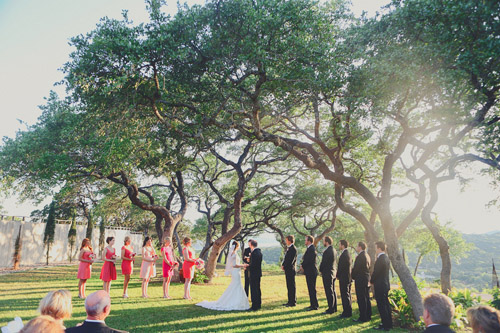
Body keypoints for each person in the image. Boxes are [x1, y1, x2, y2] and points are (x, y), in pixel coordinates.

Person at [196, 241, 250, 310]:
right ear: (237, 246)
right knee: (236, 285)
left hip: (236, 271)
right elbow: (234, 265)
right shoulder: (234, 254)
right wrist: (244, 265)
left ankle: (235, 299)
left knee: (235, 285)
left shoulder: (232, 254)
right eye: (238, 246)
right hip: (235, 272)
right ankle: (234, 301)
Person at [371, 241, 392, 331]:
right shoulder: (385, 258)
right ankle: (388, 323)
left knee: (382, 305)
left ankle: (385, 325)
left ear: (379, 248)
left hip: (380, 285)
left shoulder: (381, 259)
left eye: (376, 248)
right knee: (386, 305)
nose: (375, 250)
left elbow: (376, 272)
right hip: (385, 284)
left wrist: (371, 280)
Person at [351, 241, 372, 323]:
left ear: (360, 247)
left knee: (361, 298)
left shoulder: (360, 256)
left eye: (357, 246)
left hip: (360, 279)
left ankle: (363, 317)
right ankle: (368, 315)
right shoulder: (367, 255)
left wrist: (352, 276)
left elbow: (356, 268)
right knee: (366, 297)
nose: (356, 247)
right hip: (366, 278)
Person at [319, 236, 337, 315]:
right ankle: (334, 307)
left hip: (327, 273)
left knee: (329, 291)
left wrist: (320, 269)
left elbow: (324, 262)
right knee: (333, 290)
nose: (323, 242)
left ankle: (331, 309)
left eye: (323, 241)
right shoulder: (334, 250)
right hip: (333, 272)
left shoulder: (327, 251)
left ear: (327, 242)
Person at [301, 235, 319, 311]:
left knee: (312, 288)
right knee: (310, 288)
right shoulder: (309, 248)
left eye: (305, 240)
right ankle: (312, 304)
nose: (305, 241)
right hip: (309, 271)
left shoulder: (311, 249)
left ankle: (315, 305)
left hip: (311, 271)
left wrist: (302, 265)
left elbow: (309, 260)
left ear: (309, 241)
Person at [244, 239, 263, 311]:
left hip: (254, 274)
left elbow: (254, 265)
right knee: (257, 289)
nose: (249, 246)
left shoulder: (255, 253)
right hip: (257, 274)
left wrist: (247, 266)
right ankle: (258, 304)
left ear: (251, 245)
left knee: (254, 290)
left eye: (249, 244)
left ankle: (254, 306)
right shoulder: (258, 252)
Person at [337, 239, 352, 318]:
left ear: (342, 245)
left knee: (345, 295)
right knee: (346, 294)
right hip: (346, 277)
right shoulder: (347, 253)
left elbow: (342, 267)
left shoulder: (345, 254)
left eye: (339, 244)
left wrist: (338, 275)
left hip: (344, 277)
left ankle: (347, 312)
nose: (339, 246)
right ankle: (347, 311)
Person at [281, 235, 297, 307]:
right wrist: (283, 264)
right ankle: (289, 301)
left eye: (286, 240)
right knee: (289, 286)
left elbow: (290, 260)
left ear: (289, 240)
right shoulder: (289, 248)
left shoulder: (293, 249)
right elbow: (286, 259)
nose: (286, 241)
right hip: (288, 270)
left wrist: (285, 266)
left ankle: (293, 302)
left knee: (291, 286)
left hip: (290, 269)